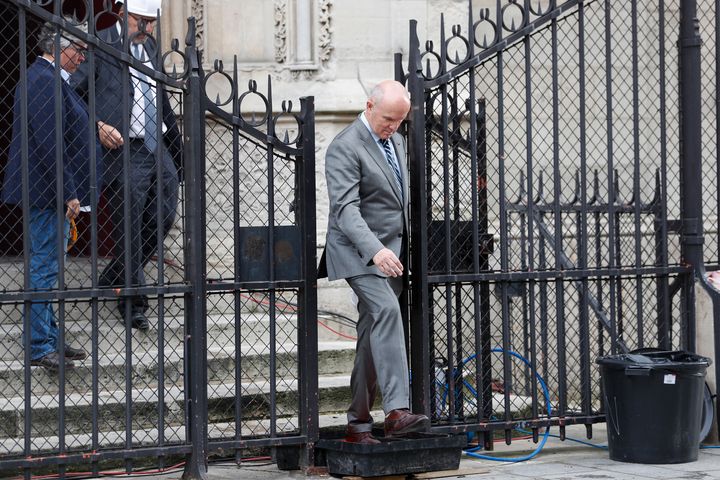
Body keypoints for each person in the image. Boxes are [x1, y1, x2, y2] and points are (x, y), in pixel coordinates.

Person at [320, 80, 430, 444]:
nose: (393, 128)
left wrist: (396, 249)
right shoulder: (345, 146)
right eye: (387, 119)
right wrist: (375, 250)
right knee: (386, 312)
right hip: (357, 252)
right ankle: (397, 411)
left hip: (391, 254)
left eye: (399, 121)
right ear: (369, 106)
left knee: (370, 337)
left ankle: (358, 424)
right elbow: (346, 211)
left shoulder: (395, 140)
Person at [70, 0, 182, 331]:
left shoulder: (148, 47)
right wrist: (97, 125)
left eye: (151, 22)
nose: (146, 28)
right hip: (123, 147)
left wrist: (175, 149)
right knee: (130, 225)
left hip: (156, 145)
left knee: (165, 214)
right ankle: (132, 301)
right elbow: (72, 94)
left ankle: (116, 271)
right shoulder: (100, 43)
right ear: (121, 12)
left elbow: (159, 100)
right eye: (140, 20)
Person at [1, 23, 94, 371]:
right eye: (78, 50)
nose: (82, 57)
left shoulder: (49, 78)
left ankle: (50, 337)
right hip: (46, 191)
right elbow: (49, 143)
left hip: (48, 189)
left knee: (49, 265)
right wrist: (68, 192)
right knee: (43, 265)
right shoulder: (42, 79)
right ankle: (40, 345)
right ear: (58, 47)